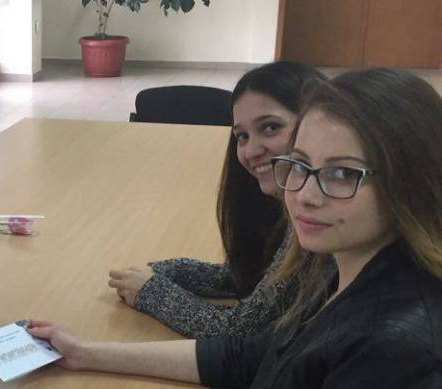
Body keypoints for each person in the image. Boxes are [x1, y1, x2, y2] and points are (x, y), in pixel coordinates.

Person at [30, 69, 442, 389]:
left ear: (413, 180)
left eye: (343, 173)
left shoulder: (392, 351)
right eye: (300, 165)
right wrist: (86, 353)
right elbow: (246, 354)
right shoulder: (339, 263)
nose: (304, 195)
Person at [110, 62, 325, 339]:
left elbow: (240, 330)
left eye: (271, 127)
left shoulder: (319, 221)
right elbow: (249, 277)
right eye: (242, 136)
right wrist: (160, 272)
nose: (251, 151)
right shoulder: (285, 200)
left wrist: (151, 291)